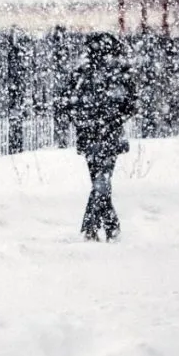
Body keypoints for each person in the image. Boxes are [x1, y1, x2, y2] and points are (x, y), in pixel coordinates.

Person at [66, 32, 137, 242]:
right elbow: (131, 104)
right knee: (102, 181)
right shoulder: (118, 72)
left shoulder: (82, 73)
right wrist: (112, 119)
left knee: (99, 181)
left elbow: (69, 103)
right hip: (108, 135)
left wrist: (85, 121)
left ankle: (93, 228)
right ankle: (109, 227)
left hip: (92, 135)